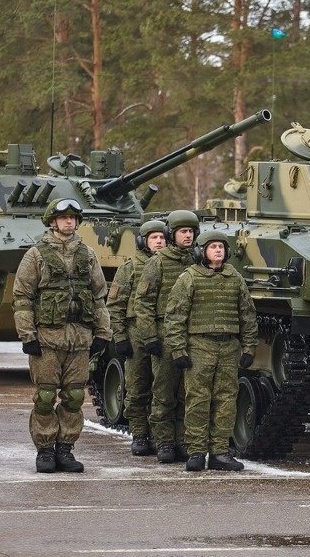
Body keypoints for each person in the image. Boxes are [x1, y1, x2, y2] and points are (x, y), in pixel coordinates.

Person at [13, 198, 112, 474]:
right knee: (45, 396)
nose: (69, 222)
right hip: (47, 337)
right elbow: (22, 297)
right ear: (52, 222)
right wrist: (27, 334)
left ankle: (65, 449)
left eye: (73, 218)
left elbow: (99, 296)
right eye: (63, 217)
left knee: (74, 396)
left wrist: (103, 332)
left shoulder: (88, 254)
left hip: (79, 338)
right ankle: (45, 450)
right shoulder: (36, 255)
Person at [165, 230, 258, 471]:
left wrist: (248, 347)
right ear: (201, 251)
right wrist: (178, 350)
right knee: (197, 400)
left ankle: (219, 452)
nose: (218, 250)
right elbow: (175, 317)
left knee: (226, 400)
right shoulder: (189, 278)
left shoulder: (234, 277)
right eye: (212, 246)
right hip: (199, 346)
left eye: (221, 247)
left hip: (229, 347)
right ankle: (196, 451)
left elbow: (247, 315)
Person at [134, 209, 198, 464]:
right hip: (164, 334)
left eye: (191, 232)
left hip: (192, 335)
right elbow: (143, 301)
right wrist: (150, 337)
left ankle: (183, 440)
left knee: (187, 392)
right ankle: (164, 442)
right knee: (163, 392)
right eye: (183, 231)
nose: (188, 236)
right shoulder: (158, 262)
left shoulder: (197, 261)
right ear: (173, 234)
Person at [106, 219, 167, 456]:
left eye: (162, 237)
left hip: (164, 333)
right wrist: (120, 337)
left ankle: (163, 435)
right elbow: (115, 305)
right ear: (143, 241)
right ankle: (140, 434)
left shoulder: (174, 265)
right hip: (136, 333)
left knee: (164, 389)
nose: (159, 241)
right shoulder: (130, 267)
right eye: (154, 238)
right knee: (138, 386)